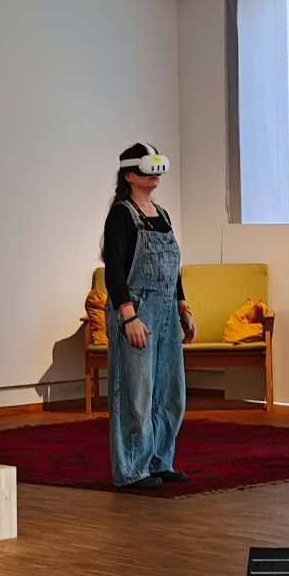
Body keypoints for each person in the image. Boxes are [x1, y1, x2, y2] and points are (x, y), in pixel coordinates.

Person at [101, 143, 198, 489]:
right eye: (146, 169)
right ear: (129, 175)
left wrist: (183, 308)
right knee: (136, 394)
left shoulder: (163, 215)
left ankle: (159, 460)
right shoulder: (121, 215)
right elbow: (114, 271)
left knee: (170, 392)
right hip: (137, 312)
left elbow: (174, 269)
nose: (154, 176)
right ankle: (131, 470)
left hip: (167, 313)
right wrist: (129, 316)